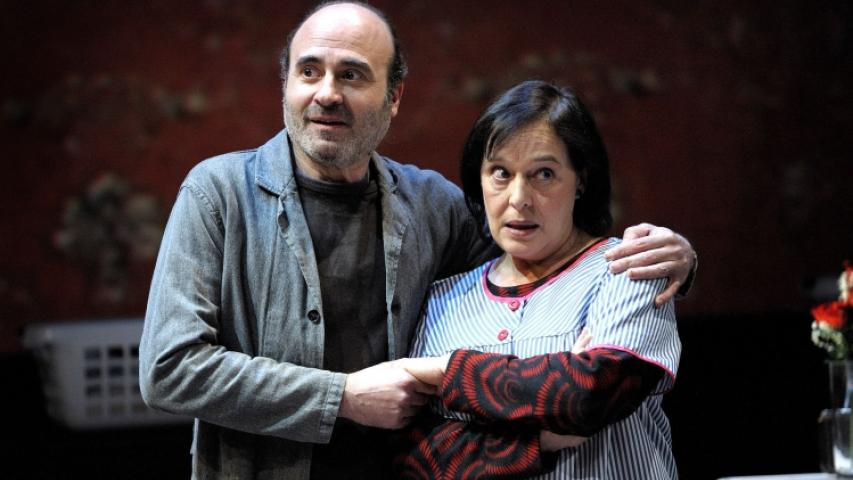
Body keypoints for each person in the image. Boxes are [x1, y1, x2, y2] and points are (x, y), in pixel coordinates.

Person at [138, 2, 695, 479]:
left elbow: (537, 258)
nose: (327, 93)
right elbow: (169, 369)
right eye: (309, 72)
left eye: (352, 75)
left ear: (394, 96)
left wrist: (680, 260)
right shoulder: (219, 193)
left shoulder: (434, 205)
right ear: (285, 84)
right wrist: (343, 397)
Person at [398, 80, 681, 479]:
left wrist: (449, 372)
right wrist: (537, 441)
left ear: (581, 180)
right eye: (500, 173)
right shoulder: (442, 301)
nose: (519, 198)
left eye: (544, 174)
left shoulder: (628, 269)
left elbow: (589, 393)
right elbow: (415, 460)